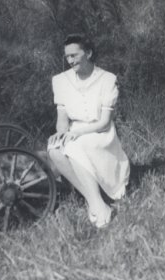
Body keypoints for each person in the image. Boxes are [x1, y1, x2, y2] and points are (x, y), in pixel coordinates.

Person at [47, 34, 130, 228]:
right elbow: (62, 120)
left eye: (74, 55)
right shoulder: (60, 81)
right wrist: (62, 133)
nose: (70, 60)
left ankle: (97, 206)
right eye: (67, 57)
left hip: (100, 133)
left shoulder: (107, 79)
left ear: (89, 53)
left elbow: (104, 122)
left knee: (77, 146)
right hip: (74, 131)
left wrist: (77, 133)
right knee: (53, 148)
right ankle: (94, 200)